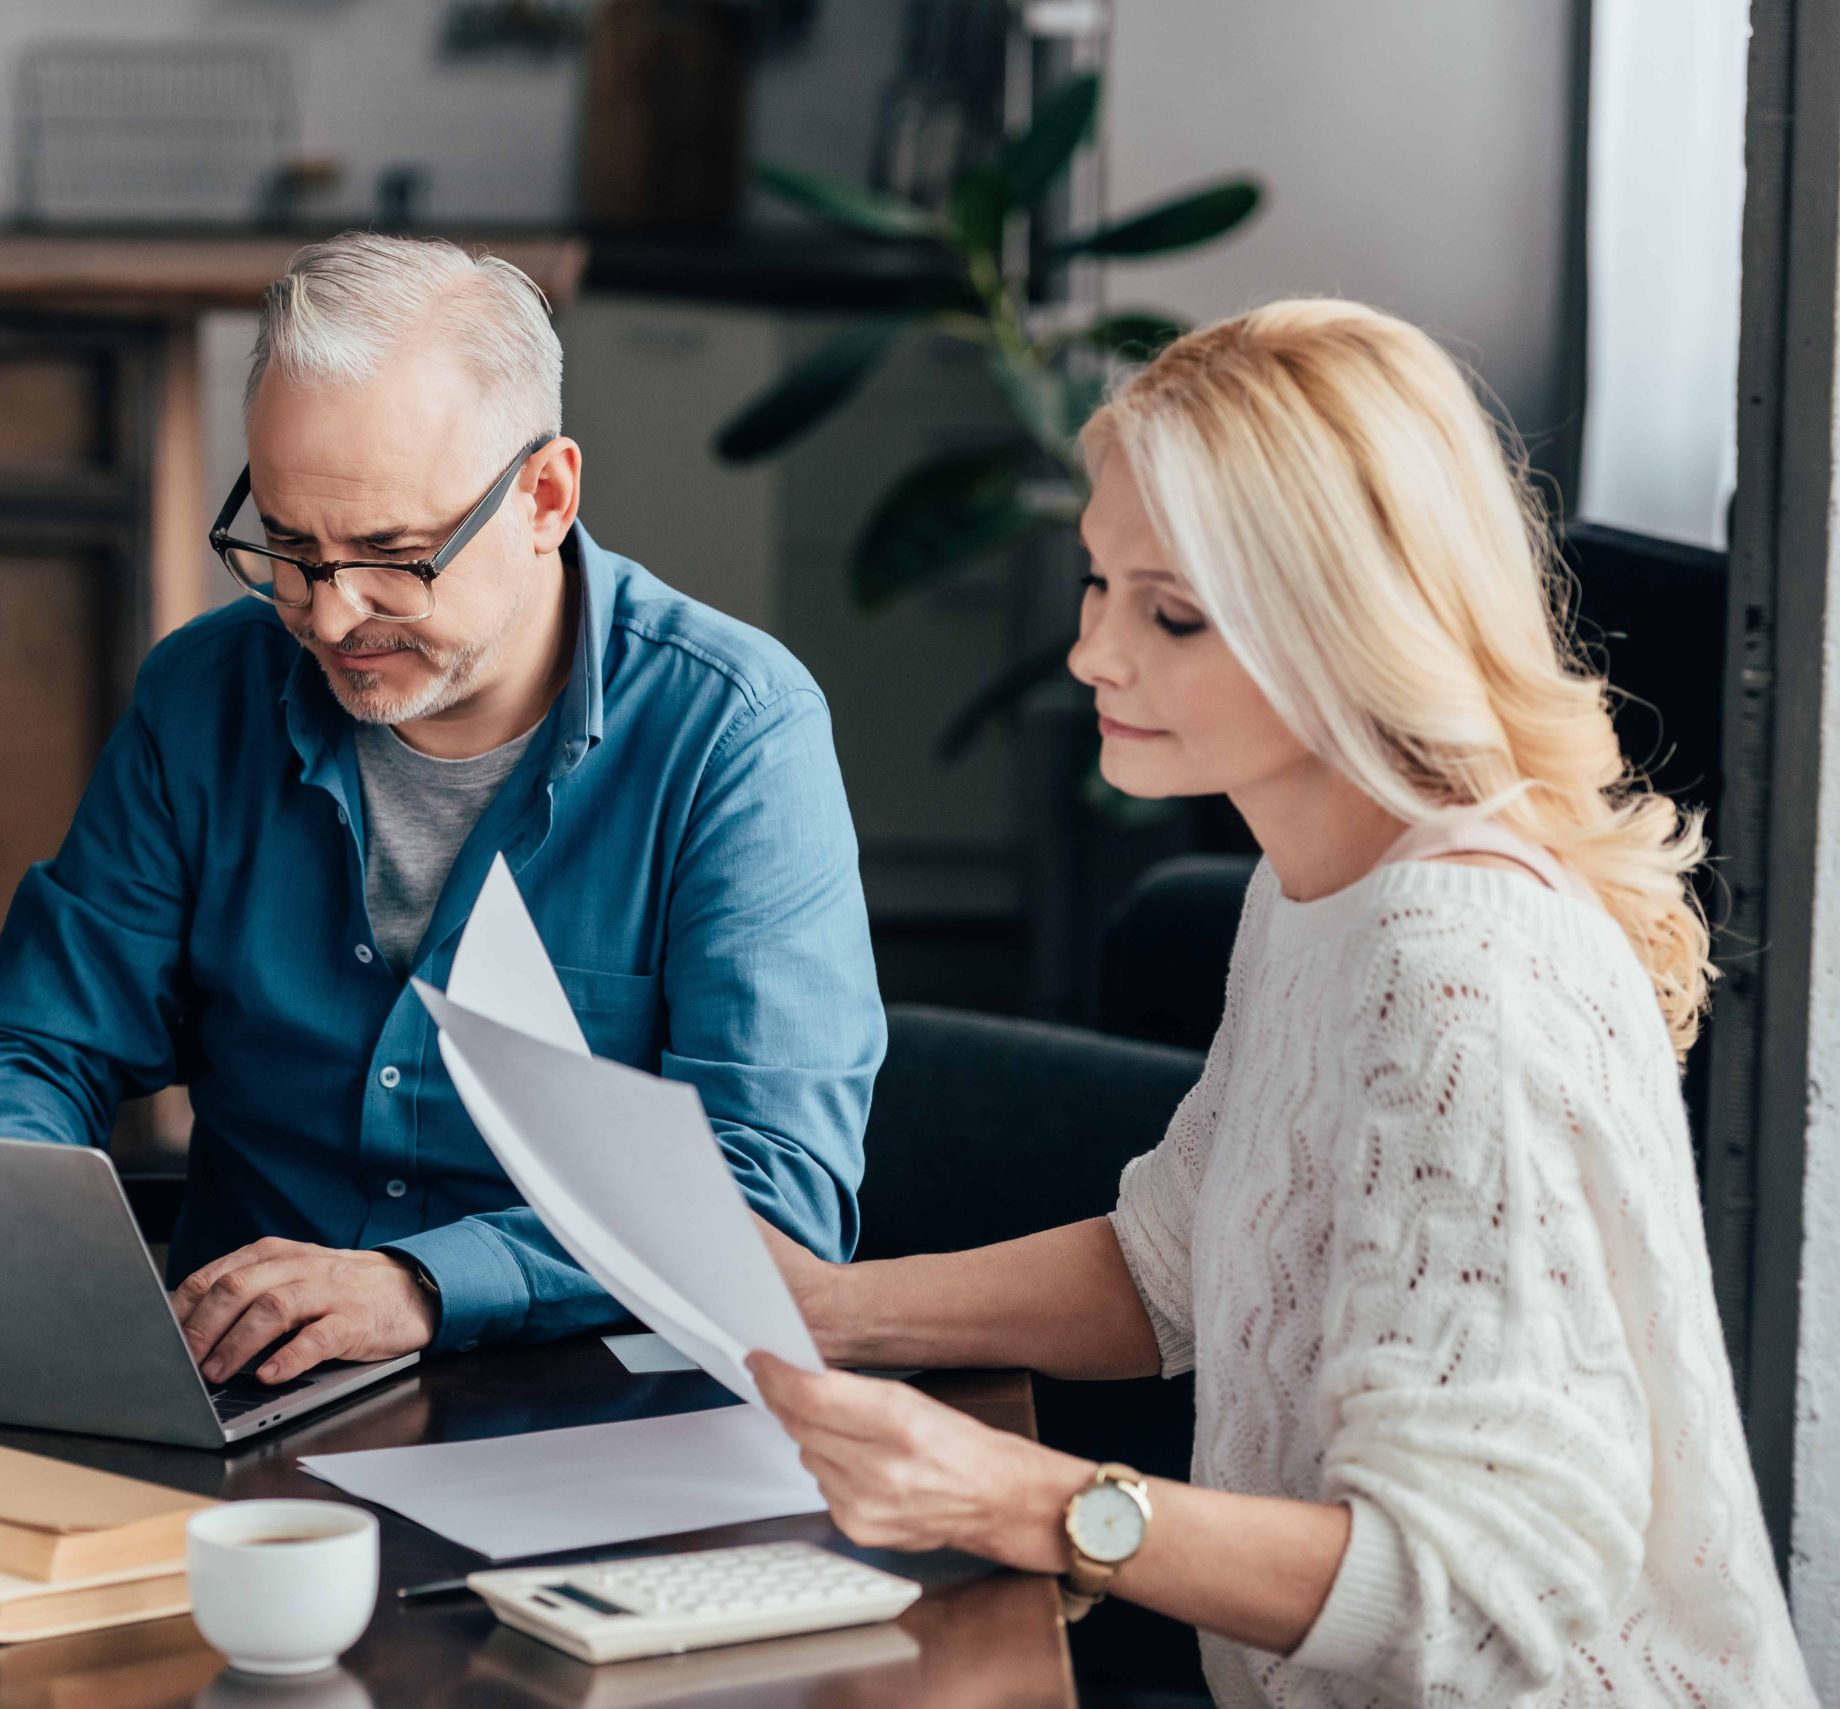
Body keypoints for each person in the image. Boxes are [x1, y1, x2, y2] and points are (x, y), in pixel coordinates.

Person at [746, 300, 1813, 1706]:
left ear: (1348, 623)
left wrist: (1032, 1501)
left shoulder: (1457, 976)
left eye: (1174, 614)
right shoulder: (1316, 880)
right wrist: (833, 1311)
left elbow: (1485, 1600)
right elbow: (1173, 1267)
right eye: (1098, 587)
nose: (1094, 657)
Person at [0, 232, 883, 1390]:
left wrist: (425, 1286)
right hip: (239, 1403)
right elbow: (39, 1042)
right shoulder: (201, 695)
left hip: (591, 1406)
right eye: (286, 546)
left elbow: (775, 1198)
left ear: (544, 495)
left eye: (393, 555)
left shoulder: (732, 732)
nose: (329, 617)